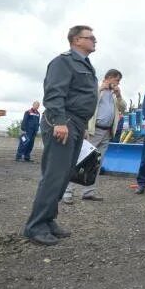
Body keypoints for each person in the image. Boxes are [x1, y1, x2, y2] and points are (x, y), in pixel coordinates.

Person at [23, 25, 98, 246]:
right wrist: (59, 121)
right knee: (54, 175)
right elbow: (54, 93)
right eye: (90, 37)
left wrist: (80, 125)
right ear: (76, 40)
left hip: (76, 123)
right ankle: (35, 226)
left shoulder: (85, 64)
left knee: (64, 175)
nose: (95, 40)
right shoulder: (63, 61)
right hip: (63, 121)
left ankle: (48, 220)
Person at [62, 69, 125, 204]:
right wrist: (101, 89)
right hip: (93, 131)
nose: (118, 83)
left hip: (107, 132)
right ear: (109, 78)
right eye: (117, 80)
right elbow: (85, 103)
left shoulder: (114, 94)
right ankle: (67, 192)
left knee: (97, 163)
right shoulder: (97, 89)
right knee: (80, 160)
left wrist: (119, 95)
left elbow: (123, 108)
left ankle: (89, 192)